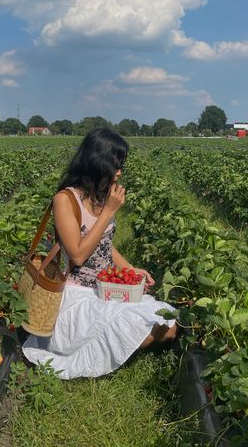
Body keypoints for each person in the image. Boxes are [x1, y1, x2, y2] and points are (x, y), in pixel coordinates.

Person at [22, 128, 177, 379]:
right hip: (76, 294)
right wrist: (108, 213)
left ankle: (115, 343)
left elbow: (105, 245)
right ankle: (102, 348)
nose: (119, 172)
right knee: (138, 327)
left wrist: (130, 270)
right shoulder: (66, 199)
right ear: (98, 162)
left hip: (107, 287)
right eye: (116, 165)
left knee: (167, 326)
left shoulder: (99, 194)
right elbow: (78, 255)